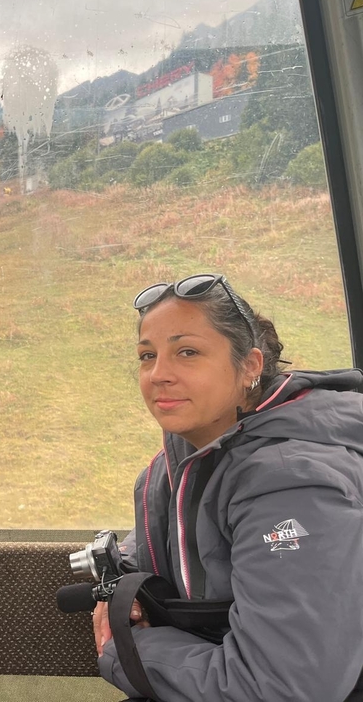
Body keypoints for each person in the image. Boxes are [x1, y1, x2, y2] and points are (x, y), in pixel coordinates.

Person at [94, 273, 363, 701]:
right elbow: (183, 545)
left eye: (187, 352)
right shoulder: (179, 463)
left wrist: (126, 647)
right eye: (147, 356)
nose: (159, 374)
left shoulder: (292, 483)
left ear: (250, 366)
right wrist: (125, 581)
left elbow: (279, 688)